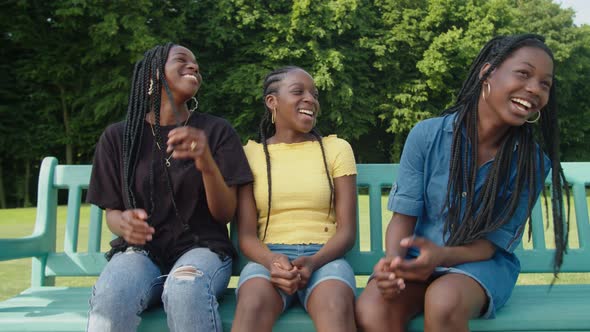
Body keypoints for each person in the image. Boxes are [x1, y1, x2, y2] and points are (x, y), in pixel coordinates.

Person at [355, 34, 569, 332]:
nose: (534, 88)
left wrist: (442, 256)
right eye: (523, 73)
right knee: (373, 307)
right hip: (418, 262)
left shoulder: (530, 163)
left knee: (444, 301)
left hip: (479, 268)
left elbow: (489, 247)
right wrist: (394, 265)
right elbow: (403, 218)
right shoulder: (426, 136)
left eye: (545, 84)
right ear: (487, 73)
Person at [86, 42, 253, 332]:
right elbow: (112, 214)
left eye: (196, 63)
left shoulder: (216, 131)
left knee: (185, 288)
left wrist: (205, 161)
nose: (194, 66)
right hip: (140, 253)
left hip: (203, 249)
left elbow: (224, 214)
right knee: (112, 293)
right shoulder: (119, 138)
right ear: (153, 75)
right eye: (181, 60)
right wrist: (123, 224)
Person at [231, 66, 357, 332]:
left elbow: (346, 232)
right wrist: (273, 262)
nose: (310, 99)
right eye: (298, 92)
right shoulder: (250, 154)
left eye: (314, 94)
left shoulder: (337, 149)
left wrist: (313, 262)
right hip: (270, 259)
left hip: (324, 258)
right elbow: (247, 237)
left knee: (335, 306)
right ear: (272, 102)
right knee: (251, 305)